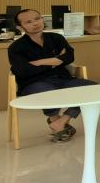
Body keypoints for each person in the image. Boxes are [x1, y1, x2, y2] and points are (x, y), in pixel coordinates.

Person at [8, 9, 95, 142]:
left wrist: (40, 62)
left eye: (37, 18)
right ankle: (55, 119)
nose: (35, 23)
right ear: (20, 27)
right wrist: (56, 61)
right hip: (34, 83)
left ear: (42, 19)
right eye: (28, 22)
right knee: (47, 92)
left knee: (94, 89)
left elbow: (69, 57)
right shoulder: (16, 47)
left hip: (63, 79)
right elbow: (23, 70)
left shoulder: (56, 38)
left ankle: (62, 121)